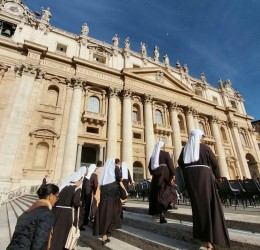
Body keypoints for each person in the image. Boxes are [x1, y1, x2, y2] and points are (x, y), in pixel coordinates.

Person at [177, 129, 230, 249]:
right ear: (199, 137)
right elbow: (214, 163)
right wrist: (217, 177)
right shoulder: (205, 148)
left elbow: (180, 163)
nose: (204, 139)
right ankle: (211, 238)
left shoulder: (185, 149)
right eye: (203, 137)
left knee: (197, 207)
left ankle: (203, 236)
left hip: (191, 180)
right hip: (204, 178)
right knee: (210, 206)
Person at [7, 183, 59, 250]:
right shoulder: (46, 214)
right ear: (50, 196)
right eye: (57, 196)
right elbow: (39, 243)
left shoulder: (28, 212)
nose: (57, 200)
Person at [93, 158, 126, 245]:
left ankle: (104, 233)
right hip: (113, 194)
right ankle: (106, 234)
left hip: (104, 193)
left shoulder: (105, 170)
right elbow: (119, 178)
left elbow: (100, 183)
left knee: (105, 213)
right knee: (115, 213)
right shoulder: (114, 168)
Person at [50, 168, 84, 250]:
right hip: (67, 214)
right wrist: (80, 203)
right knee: (65, 234)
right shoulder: (77, 188)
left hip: (57, 212)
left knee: (57, 233)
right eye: (80, 180)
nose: (80, 182)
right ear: (77, 180)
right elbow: (76, 202)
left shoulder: (64, 187)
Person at [148, 141, 177, 223]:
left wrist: (155, 173)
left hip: (156, 176)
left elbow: (150, 168)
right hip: (165, 174)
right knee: (168, 191)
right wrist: (173, 174)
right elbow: (170, 164)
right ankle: (168, 206)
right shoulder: (166, 154)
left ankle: (160, 210)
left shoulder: (153, 156)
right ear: (162, 147)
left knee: (157, 193)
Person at [79, 163, 98, 230]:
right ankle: (85, 221)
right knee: (88, 207)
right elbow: (95, 185)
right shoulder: (94, 175)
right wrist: (95, 191)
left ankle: (82, 222)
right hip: (89, 194)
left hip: (83, 193)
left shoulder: (86, 176)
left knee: (83, 208)